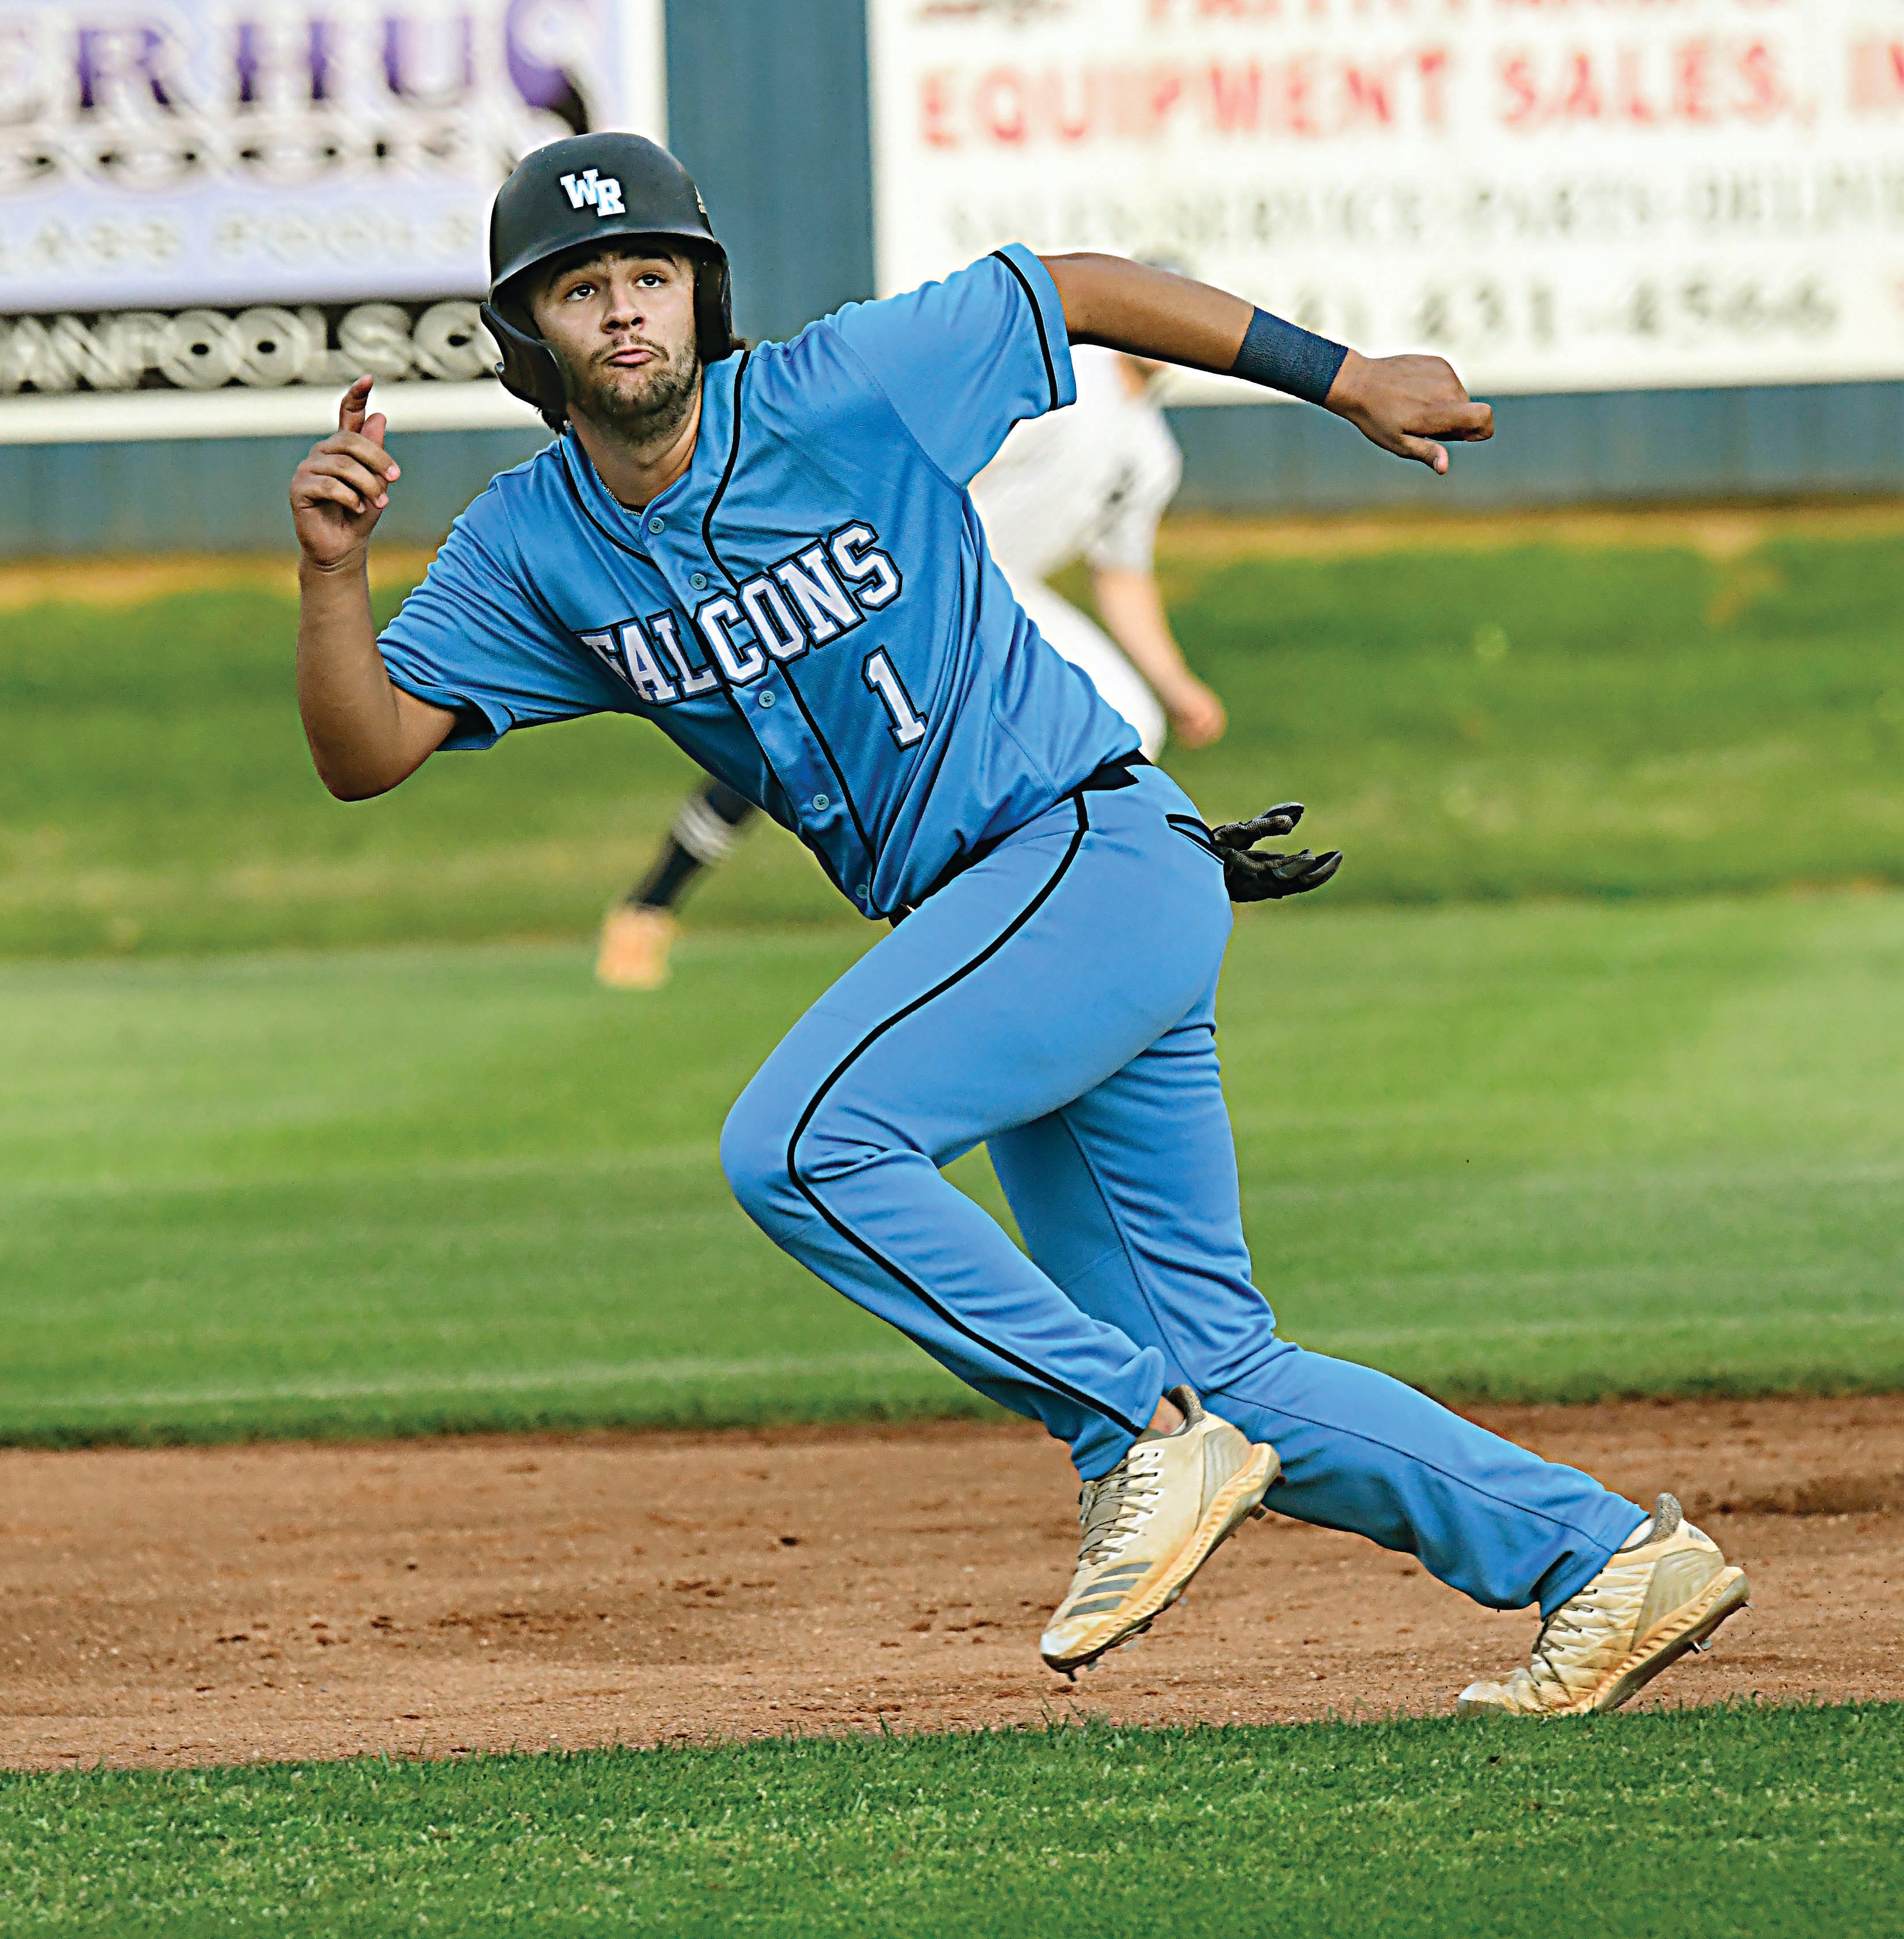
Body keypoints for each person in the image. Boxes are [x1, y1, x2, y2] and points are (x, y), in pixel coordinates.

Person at [290, 132, 1749, 1707]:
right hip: (1027, 918)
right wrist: (332, 574)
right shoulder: (530, 545)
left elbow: (1077, 289)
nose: (628, 312)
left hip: (1083, 853)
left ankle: (1129, 1433)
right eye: (583, 290)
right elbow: (368, 754)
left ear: (705, 292)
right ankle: (1603, 1559)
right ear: (531, 336)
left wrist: (1343, 382)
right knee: (1229, 1374)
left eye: (653, 273)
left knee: (800, 1147)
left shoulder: (845, 386)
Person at [594, 340, 1222, 992]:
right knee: (805, 746)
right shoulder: (1064, 388)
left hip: (994, 590)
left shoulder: (1151, 452)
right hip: (918, 569)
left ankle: (1058, 912)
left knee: (1132, 720)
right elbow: (933, 456)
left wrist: (1176, 684)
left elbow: (1121, 577)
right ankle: (648, 907)